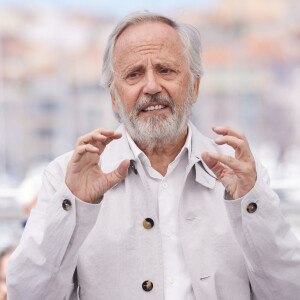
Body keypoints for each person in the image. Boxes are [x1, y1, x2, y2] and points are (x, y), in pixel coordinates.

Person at [7, 11, 300, 300]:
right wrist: (75, 205)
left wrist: (250, 205)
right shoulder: (66, 177)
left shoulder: (238, 172)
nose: (151, 87)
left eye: (165, 70)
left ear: (194, 86)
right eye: (134, 74)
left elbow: (290, 291)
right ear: (113, 96)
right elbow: (27, 294)